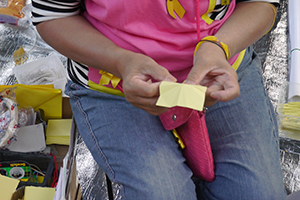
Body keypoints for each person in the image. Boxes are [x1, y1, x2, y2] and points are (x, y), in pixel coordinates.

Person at [32, 0, 286, 199]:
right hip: (113, 84)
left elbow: (261, 2)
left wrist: (219, 47)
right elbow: (53, 15)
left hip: (221, 67)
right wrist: (121, 61)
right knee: (161, 194)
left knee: (256, 193)